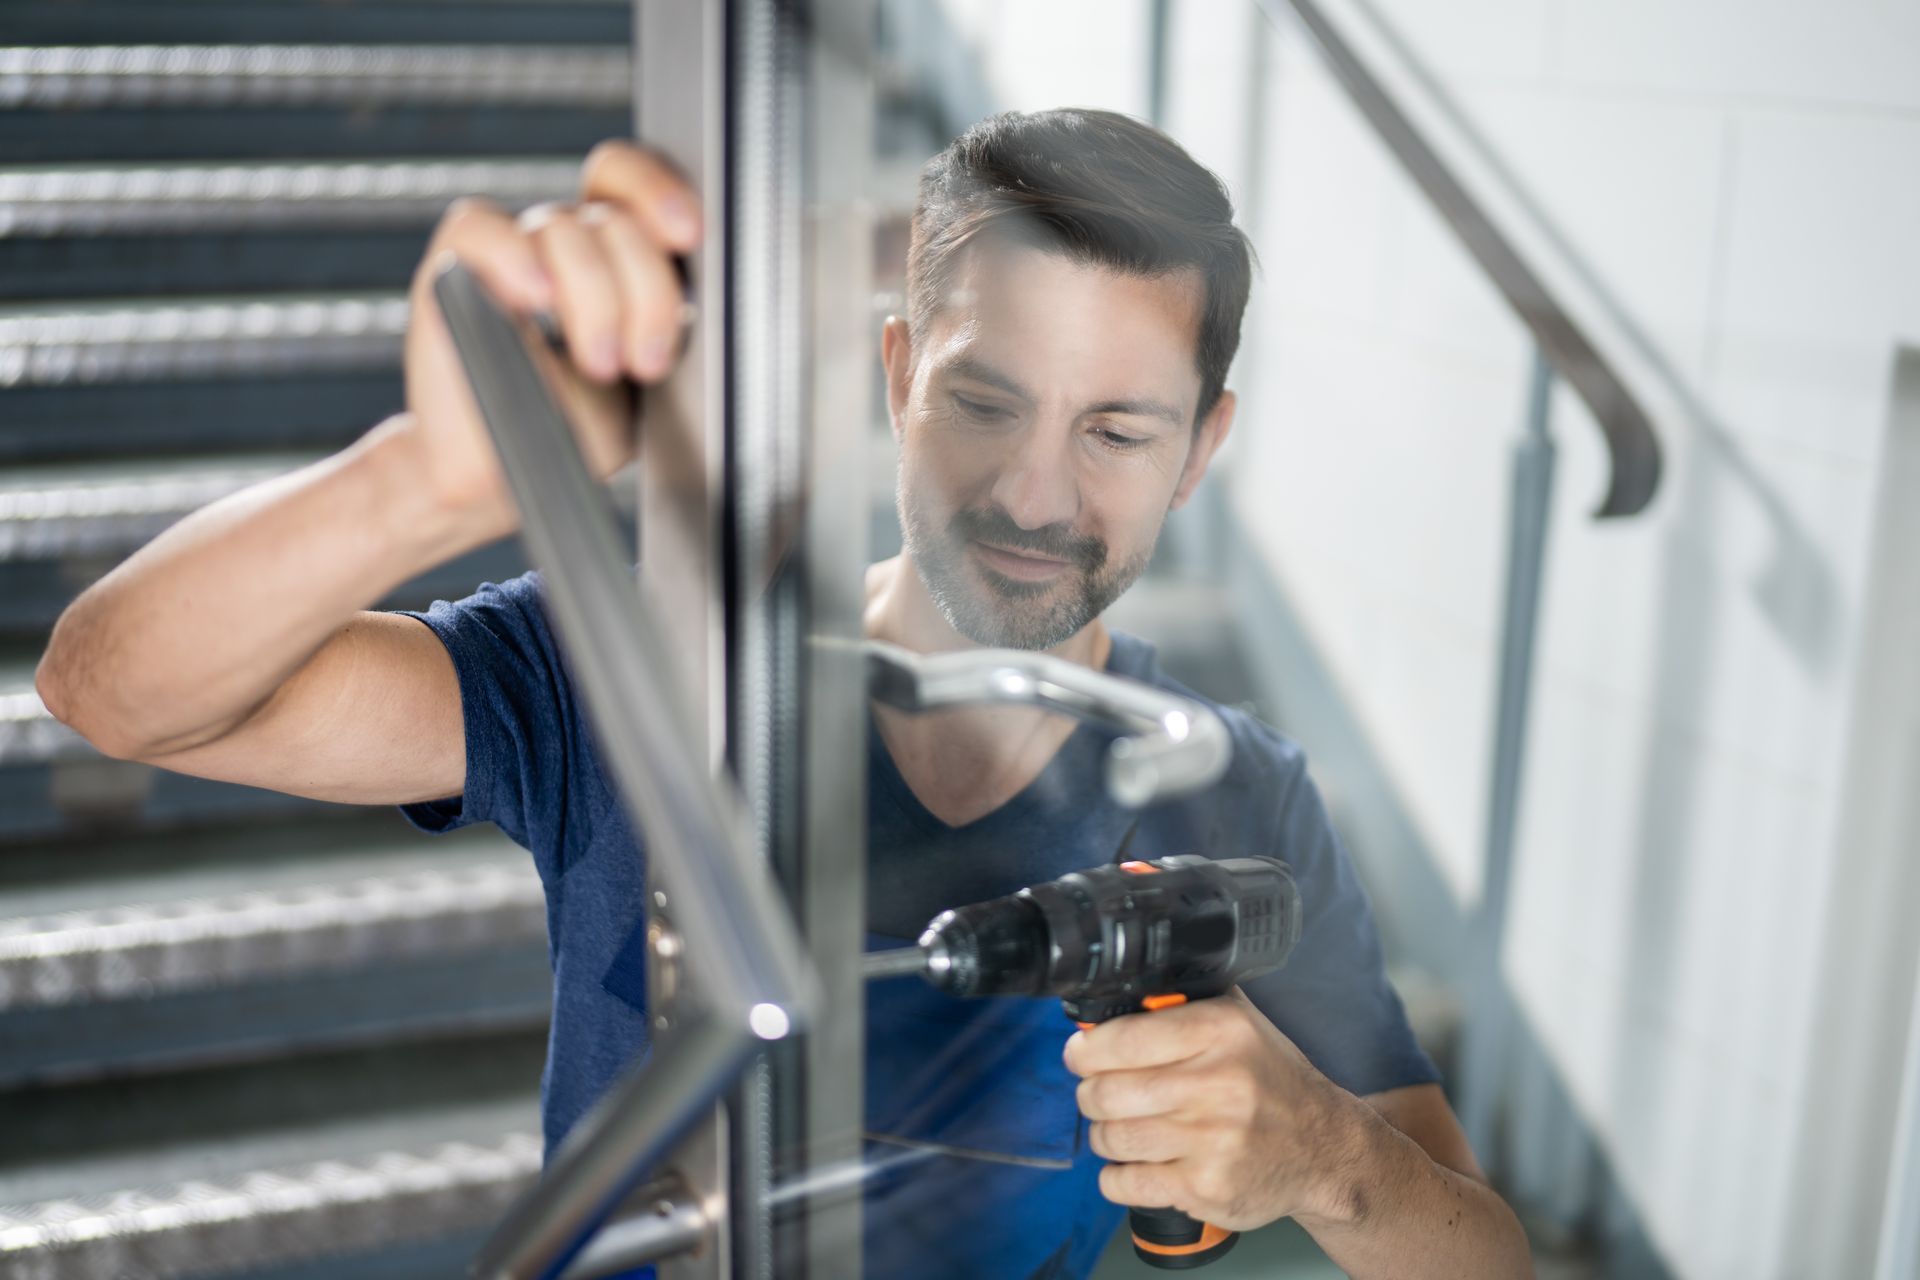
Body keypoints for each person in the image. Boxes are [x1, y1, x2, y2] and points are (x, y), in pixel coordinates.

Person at [36, 109, 1531, 1278]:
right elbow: (120, 694)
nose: (1031, 492)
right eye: (983, 400)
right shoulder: (654, 666)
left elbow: (1488, 1259)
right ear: (896, 373)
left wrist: (1327, 1158)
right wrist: (425, 485)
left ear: (1200, 452)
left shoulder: (1233, 791)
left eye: (1118, 433)